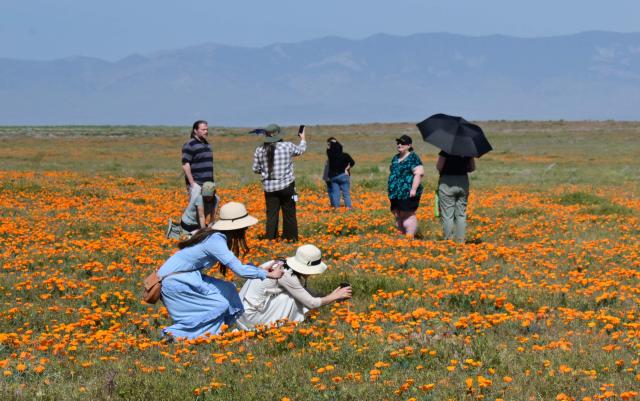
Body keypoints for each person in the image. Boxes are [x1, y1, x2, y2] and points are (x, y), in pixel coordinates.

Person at [157, 202, 284, 339]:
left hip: (185, 276)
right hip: (174, 281)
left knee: (228, 289)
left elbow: (237, 265)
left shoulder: (216, 235)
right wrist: (268, 275)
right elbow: (239, 270)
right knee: (219, 305)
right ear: (236, 227)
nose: (246, 229)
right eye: (245, 227)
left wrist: (260, 270)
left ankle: (214, 331)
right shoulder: (215, 240)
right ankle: (173, 334)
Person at [236, 244, 352, 330]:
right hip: (249, 318)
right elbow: (311, 303)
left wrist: (331, 295)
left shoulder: (281, 264)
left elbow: (303, 292)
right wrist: (334, 296)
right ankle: (282, 328)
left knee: (296, 295)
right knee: (293, 299)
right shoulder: (286, 275)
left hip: (241, 312)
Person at [252, 124, 306, 241]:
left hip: (269, 188)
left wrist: (265, 171)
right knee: (289, 214)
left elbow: (255, 169)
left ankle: (270, 239)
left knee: (271, 215)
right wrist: (302, 138)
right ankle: (290, 238)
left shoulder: (259, 150)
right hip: (287, 186)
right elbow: (301, 150)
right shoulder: (287, 146)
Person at [387, 134, 424, 238]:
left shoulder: (413, 157)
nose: (399, 145)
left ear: (409, 145)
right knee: (397, 213)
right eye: (398, 143)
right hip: (394, 192)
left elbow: (419, 173)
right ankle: (401, 237)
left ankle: (409, 238)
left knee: (407, 214)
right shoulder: (395, 157)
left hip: (407, 191)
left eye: (402, 143)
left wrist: (413, 189)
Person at [436, 151, 475, 243]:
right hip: (463, 181)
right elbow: (472, 168)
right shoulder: (469, 150)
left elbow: (439, 167)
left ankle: (448, 241)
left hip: (447, 181)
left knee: (447, 215)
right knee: (461, 214)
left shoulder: (446, 149)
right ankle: (460, 241)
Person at [182, 120, 214, 198]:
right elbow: (185, 165)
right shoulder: (189, 145)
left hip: (208, 184)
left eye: (207, 129)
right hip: (197, 184)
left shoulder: (207, 145)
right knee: (196, 208)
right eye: (203, 130)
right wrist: (192, 184)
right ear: (195, 130)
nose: (206, 132)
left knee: (210, 206)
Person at [323, 137, 355, 209]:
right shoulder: (345, 155)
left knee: (336, 193)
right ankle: (348, 207)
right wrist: (347, 169)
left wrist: (332, 143)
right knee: (346, 193)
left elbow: (328, 149)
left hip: (334, 177)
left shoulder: (331, 156)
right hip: (344, 175)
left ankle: (336, 208)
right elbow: (352, 162)